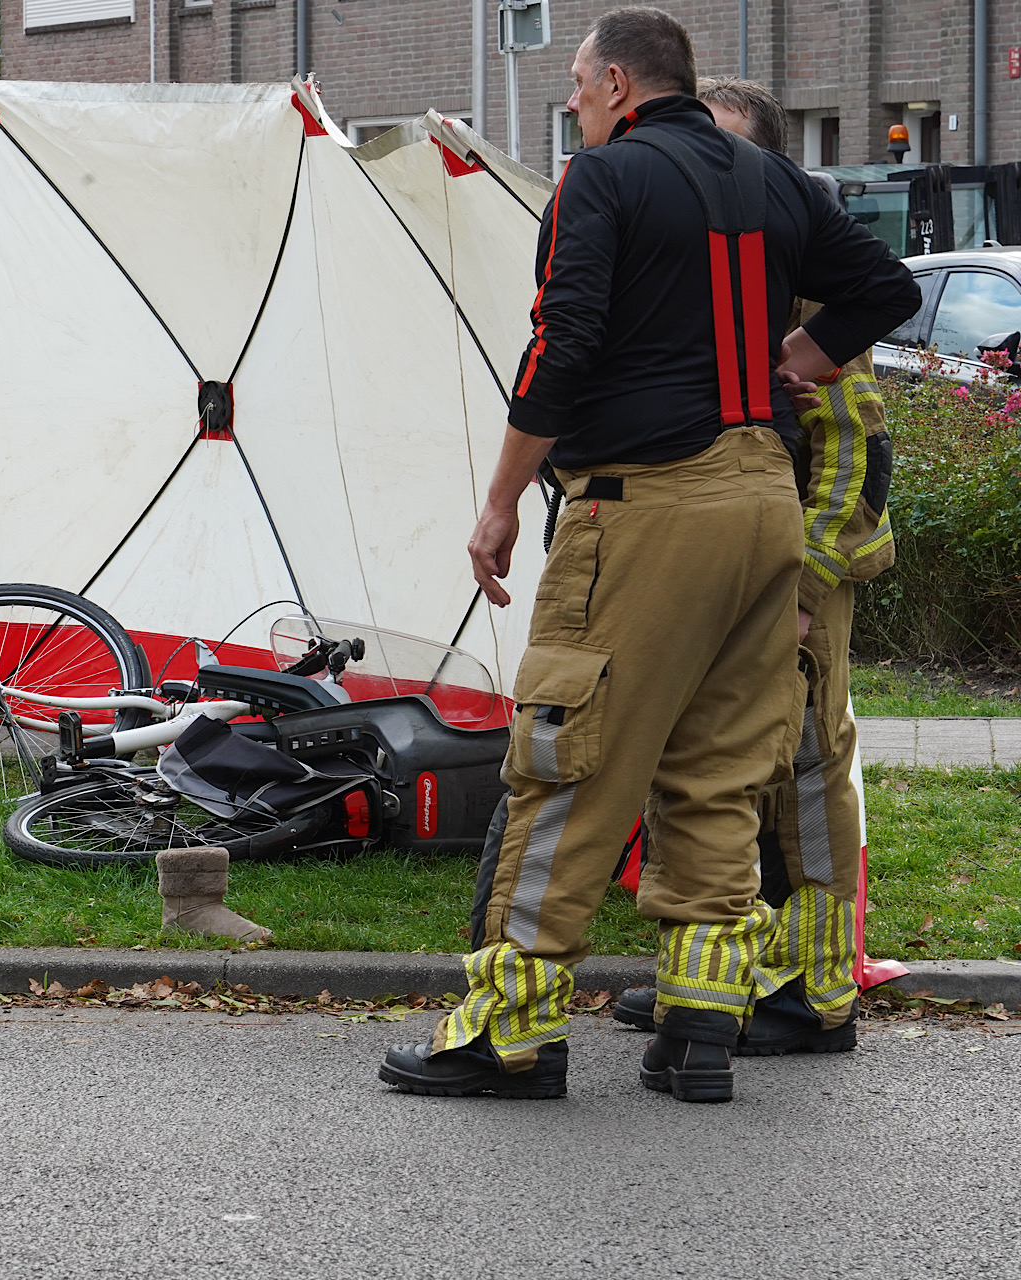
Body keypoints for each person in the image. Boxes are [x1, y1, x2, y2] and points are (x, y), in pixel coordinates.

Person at [376, 7, 919, 1103]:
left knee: (567, 763)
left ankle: (508, 1031)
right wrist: (790, 362)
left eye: (577, 86)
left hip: (645, 500)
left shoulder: (605, 177)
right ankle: (699, 1031)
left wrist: (496, 501)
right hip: (763, 498)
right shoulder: (774, 182)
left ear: (618, 83)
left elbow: (561, 339)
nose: (574, 104)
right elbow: (888, 288)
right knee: (720, 774)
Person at [601, 76, 896, 1054]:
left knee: (806, 783)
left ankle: (815, 995)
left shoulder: (808, 281)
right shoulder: (714, 268)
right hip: (731, 566)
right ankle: (723, 981)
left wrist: (803, 590)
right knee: (723, 781)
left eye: (723, 151)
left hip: (798, 580)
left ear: (769, 165)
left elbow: (857, 453)